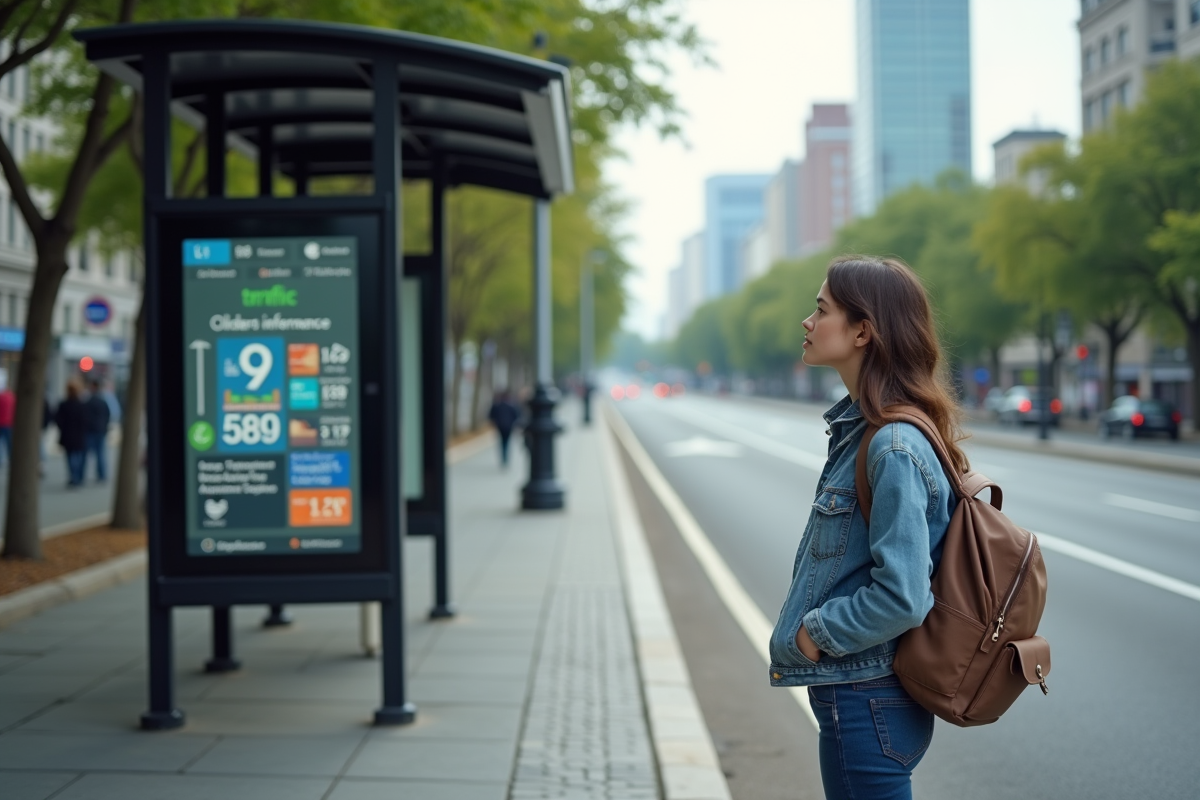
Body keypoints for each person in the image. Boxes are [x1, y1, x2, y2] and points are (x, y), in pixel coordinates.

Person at [768, 256, 966, 800]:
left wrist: (815, 634)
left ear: (863, 330)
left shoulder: (892, 445)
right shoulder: (865, 430)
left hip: (865, 692)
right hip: (863, 691)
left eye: (820, 309)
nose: (807, 323)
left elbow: (903, 596)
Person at [55, 380, 89, 487]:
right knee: (78, 456)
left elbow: (58, 419)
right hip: (79, 435)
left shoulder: (64, 404)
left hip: (68, 435)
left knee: (70, 457)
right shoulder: (81, 405)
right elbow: (85, 421)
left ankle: (73, 477)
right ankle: (77, 476)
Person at [84, 378, 113, 482]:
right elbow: (108, 415)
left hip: (91, 431)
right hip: (100, 430)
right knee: (100, 454)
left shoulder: (88, 401)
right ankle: (102, 475)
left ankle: (80, 476)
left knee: (86, 454)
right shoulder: (102, 401)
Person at [487, 389, 522, 466]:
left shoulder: (497, 405)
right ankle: (505, 457)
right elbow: (517, 416)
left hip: (500, 426)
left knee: (502, 441)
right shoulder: (512, 406)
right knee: (507, 441)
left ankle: (504, 457)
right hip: (509, 427)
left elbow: (491, 416)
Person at [0, 381, 14, 468]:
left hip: (1, 423)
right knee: (9, 443)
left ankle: (1, 459)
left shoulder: (1, 397)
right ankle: (10, 459)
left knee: (1, 443)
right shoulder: (12, 397)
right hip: (9, 424)